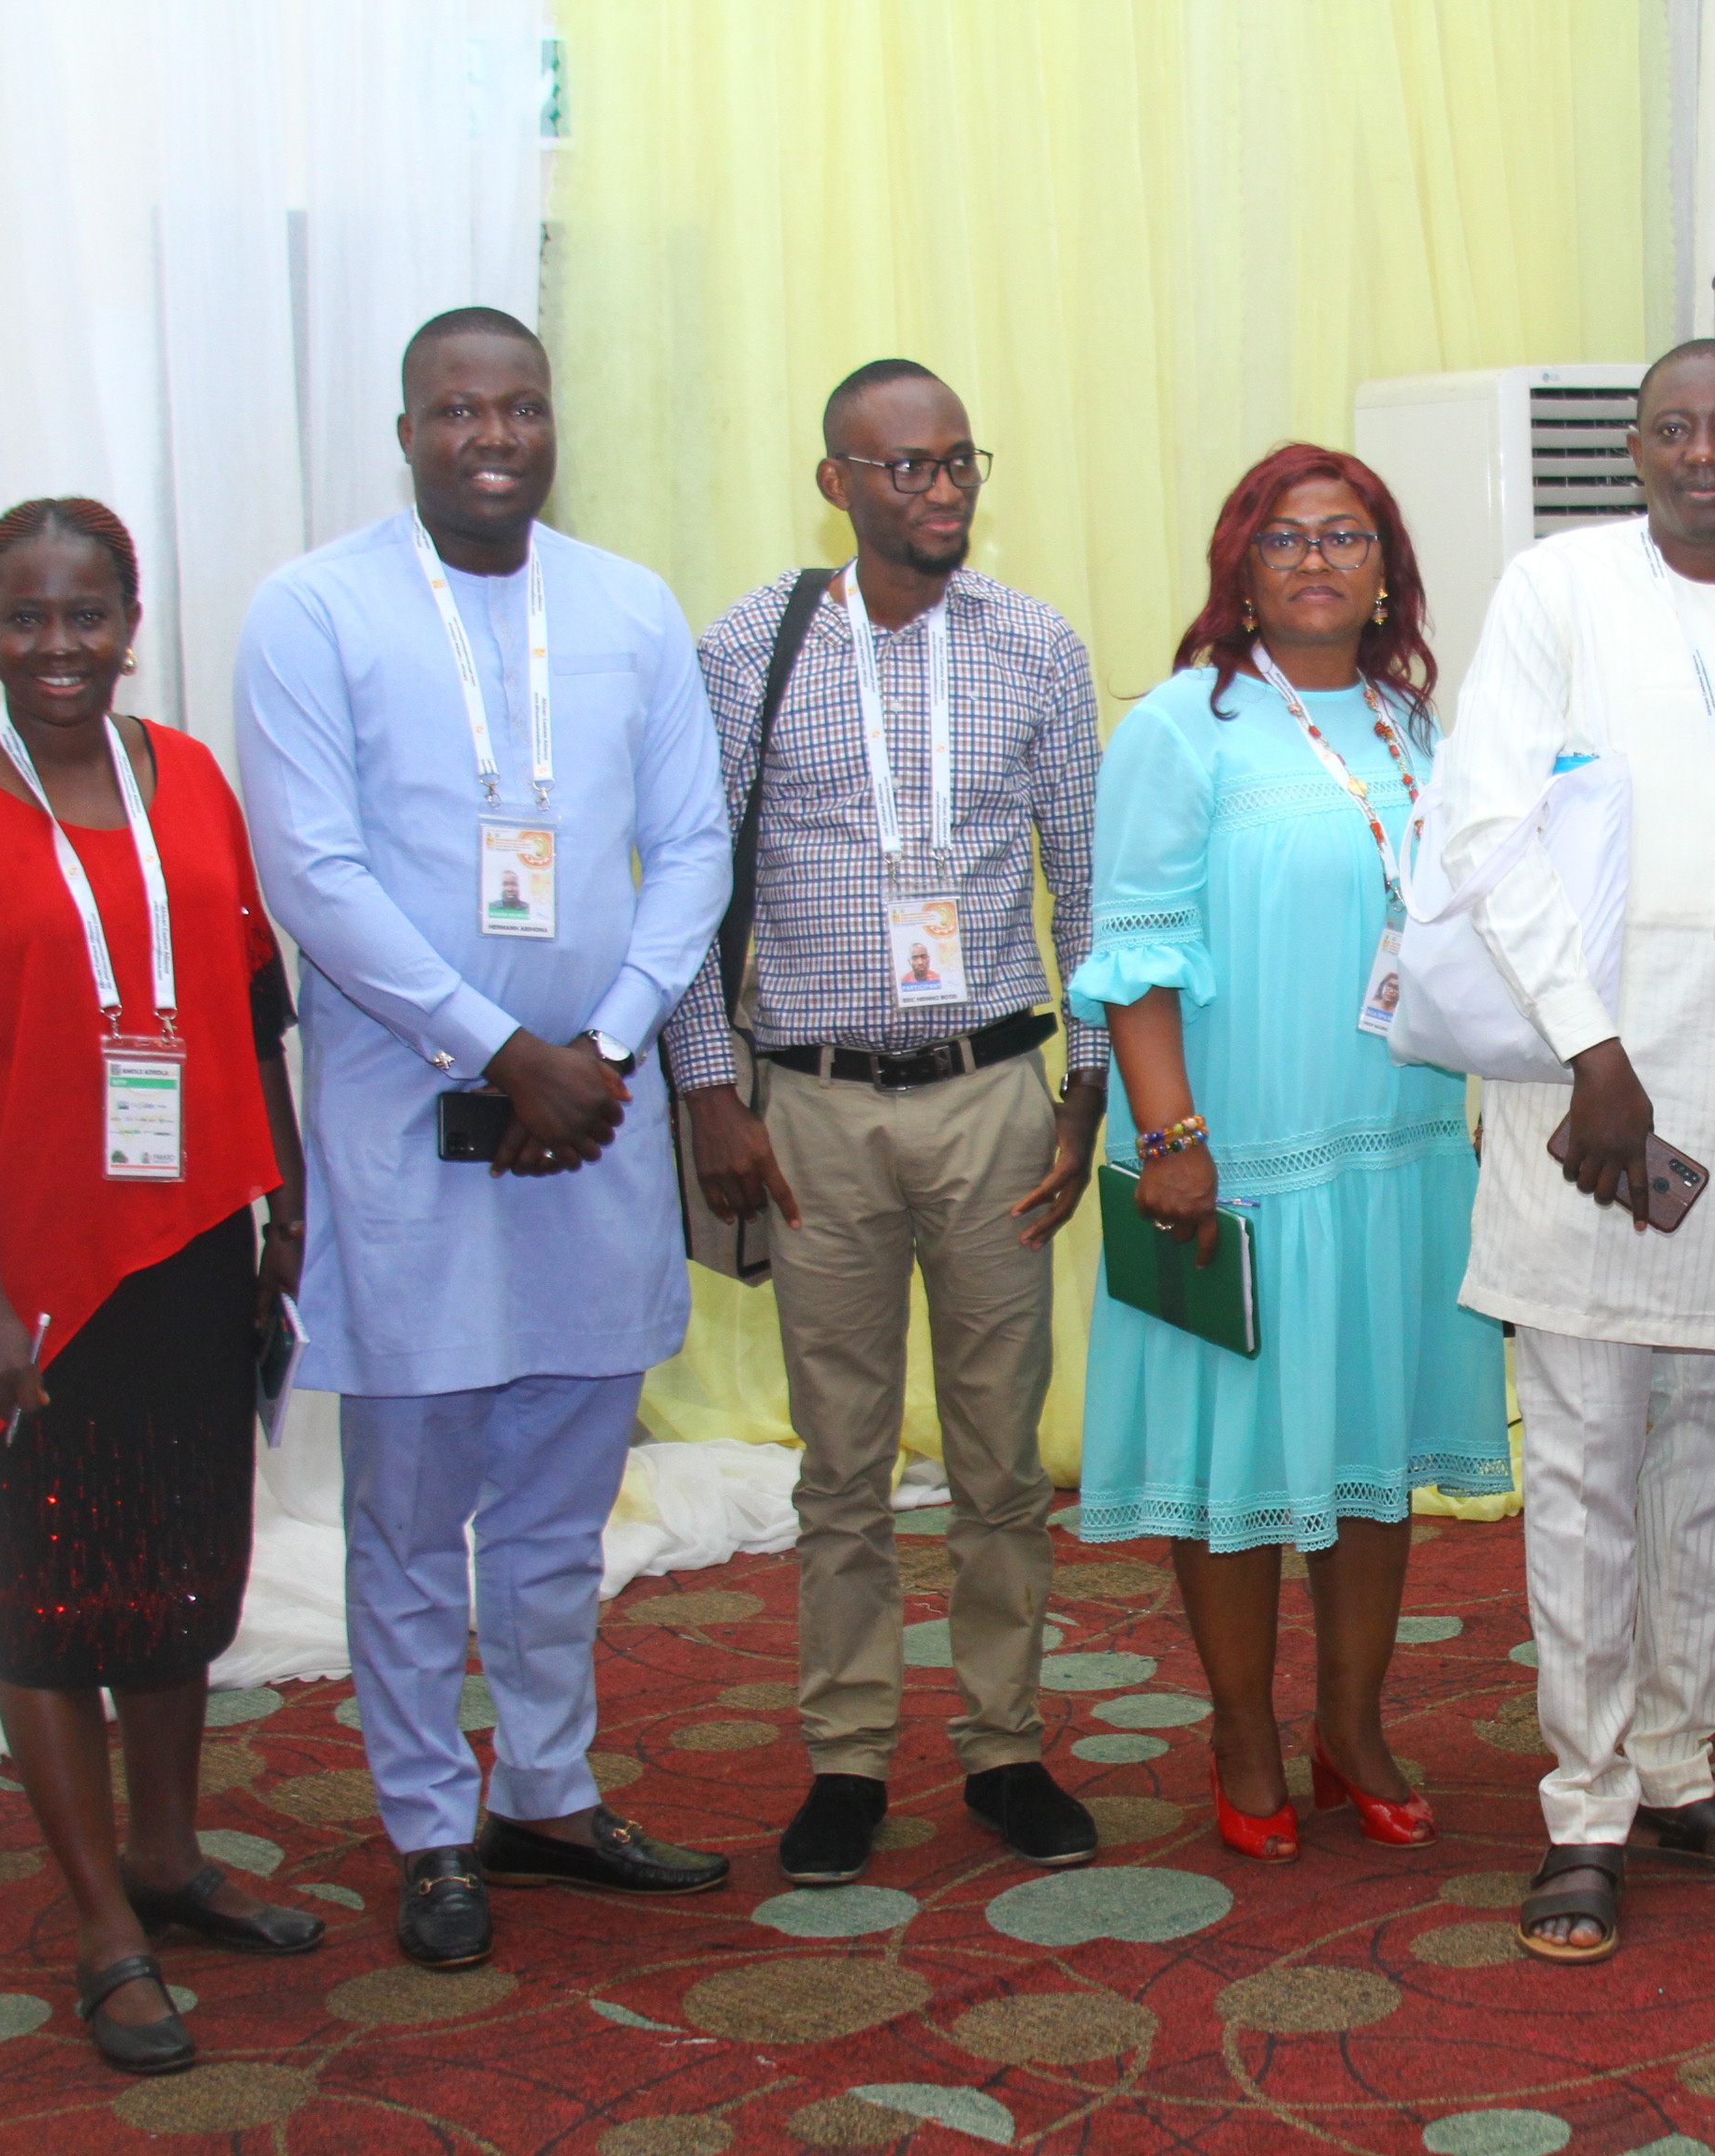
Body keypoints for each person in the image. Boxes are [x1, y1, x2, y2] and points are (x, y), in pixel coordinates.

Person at [234, 308, 734, 1972]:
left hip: (591, 1127)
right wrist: (503, 1050)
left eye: (520, 406)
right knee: (408, 1514)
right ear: (406, 431)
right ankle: (430, 1827)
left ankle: (547, 1793)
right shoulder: (313, 611)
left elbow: (691, 847)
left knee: (558, 1507)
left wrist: (600, 1047)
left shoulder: (630, 606)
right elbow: (314, 876)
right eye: (458, 410)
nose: (493, 436)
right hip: (413, 1127)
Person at [0, 501, 323, 2074]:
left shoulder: (184, 775)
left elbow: (248, 1003)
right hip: (34, 1275)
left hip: (191, 1242)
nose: (59, 646)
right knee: (46, 1599)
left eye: (87, 615)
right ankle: (103, 1925)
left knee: (180, 1573)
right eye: (26, 617)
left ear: (131, 623)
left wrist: (285, 1198)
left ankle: (168, 1858)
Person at [1425, 340, 1715, 1962]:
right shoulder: (1556, 588)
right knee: (1585, 1468)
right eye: (1674, 429)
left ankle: (1679, 1769)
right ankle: (1585, 1804)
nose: (1703, 454)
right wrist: (1593, 1053)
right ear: (1635, 447)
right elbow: (1486, 829)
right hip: (1587, 1090)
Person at [661, 358, 1106, 1879]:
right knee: (840, 1462)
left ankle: (1005, 1747)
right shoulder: (749, 648)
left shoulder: (1036, 646)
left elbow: (1087, 886)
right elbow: (691, 885)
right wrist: (707, 1092)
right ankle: (847, 1757)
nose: (941, 488)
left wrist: (1088, 1089)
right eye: (906, 465)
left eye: (959, 460)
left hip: (991, 1096)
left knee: (1000, 1456)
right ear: (836, 484)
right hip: (814, 1108)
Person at [1068, 444, 1508, 1862]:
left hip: (1399, 1147)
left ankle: (1354, 1727)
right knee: (1238, 1466)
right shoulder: (1183, 726)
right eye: (1285, 539)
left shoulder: (1413, 724)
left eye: (1347, 537)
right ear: (1241, 570)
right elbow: (1134, 954)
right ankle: (1244, 1732)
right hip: (1241, 1159)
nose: (1317, 560)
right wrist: (1170, 1138)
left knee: (1371, 1451)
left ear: (1387, 572)